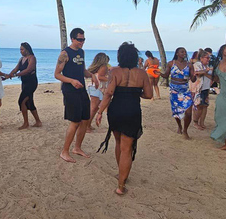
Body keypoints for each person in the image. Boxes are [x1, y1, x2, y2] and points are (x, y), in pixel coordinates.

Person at [96, 42, 153, 195]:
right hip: (132, 110)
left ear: (120, 56)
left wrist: (100, 112)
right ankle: (121, 185)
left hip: (116, 110)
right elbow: (149, 95)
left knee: (119, 142)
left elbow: (108, 94)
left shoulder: (114, 71)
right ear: (135, 57)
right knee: (127, 148)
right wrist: (135, 94)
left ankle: (120, 174)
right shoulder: (142, 74)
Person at [55, 27, 95, 163]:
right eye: (79, 39)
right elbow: (57, 74)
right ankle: (64, 151)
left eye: (83, 39)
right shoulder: (65, 54)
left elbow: (82, 70)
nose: (82, 42)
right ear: (72, 39)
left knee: (85, 119)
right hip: (70, 90)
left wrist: (92, 76)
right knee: (75, 121)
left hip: (81, 89)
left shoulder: (82, 52)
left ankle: (77, 148)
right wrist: (71, 81)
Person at [8, 42, 42, 130]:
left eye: (22, 49)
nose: (21, 51)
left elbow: (29, 69)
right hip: (24, 83)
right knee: (29, 102)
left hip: (31, 83)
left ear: (27, 50)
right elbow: (16, 69)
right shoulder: (21, 59)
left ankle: (26, 123)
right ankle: (38, 121)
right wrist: (9, 75)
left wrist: (16, 75)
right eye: (20, 49)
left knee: (21, 101)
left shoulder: (32, 58)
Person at [163, 47, 193, 139]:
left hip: (185, 90)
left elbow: (193, 78)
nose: (184, 53)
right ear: (177, 53)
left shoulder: (189, 64)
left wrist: (196, 75)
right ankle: (179, 126)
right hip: (174, 91)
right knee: (177, 112)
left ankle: (185, 130)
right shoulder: (171, 64)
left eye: (185, 52)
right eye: (182, 52)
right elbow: (166, 75)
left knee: (188, 113)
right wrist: (158, 73)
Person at [86, 53, 110, 132]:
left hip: (95, 87)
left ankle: (88, 125)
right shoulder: (103, 67)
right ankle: (87, 126)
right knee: (93, 108)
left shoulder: (99, 67)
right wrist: (111, 80)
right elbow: (100, 77)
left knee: (94, 108)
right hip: (97, 88)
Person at [191, 50, 212, 130]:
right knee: (198, 106)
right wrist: (206, 71)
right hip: (198, 89)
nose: (208, 59)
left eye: (209, 58)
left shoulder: (206, 66)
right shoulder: (197, 65)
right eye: (207, 58)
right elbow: (196, 73)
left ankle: (202, 122)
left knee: (205, 106)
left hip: (205, 88)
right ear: (201, 58)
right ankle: (196, 122)